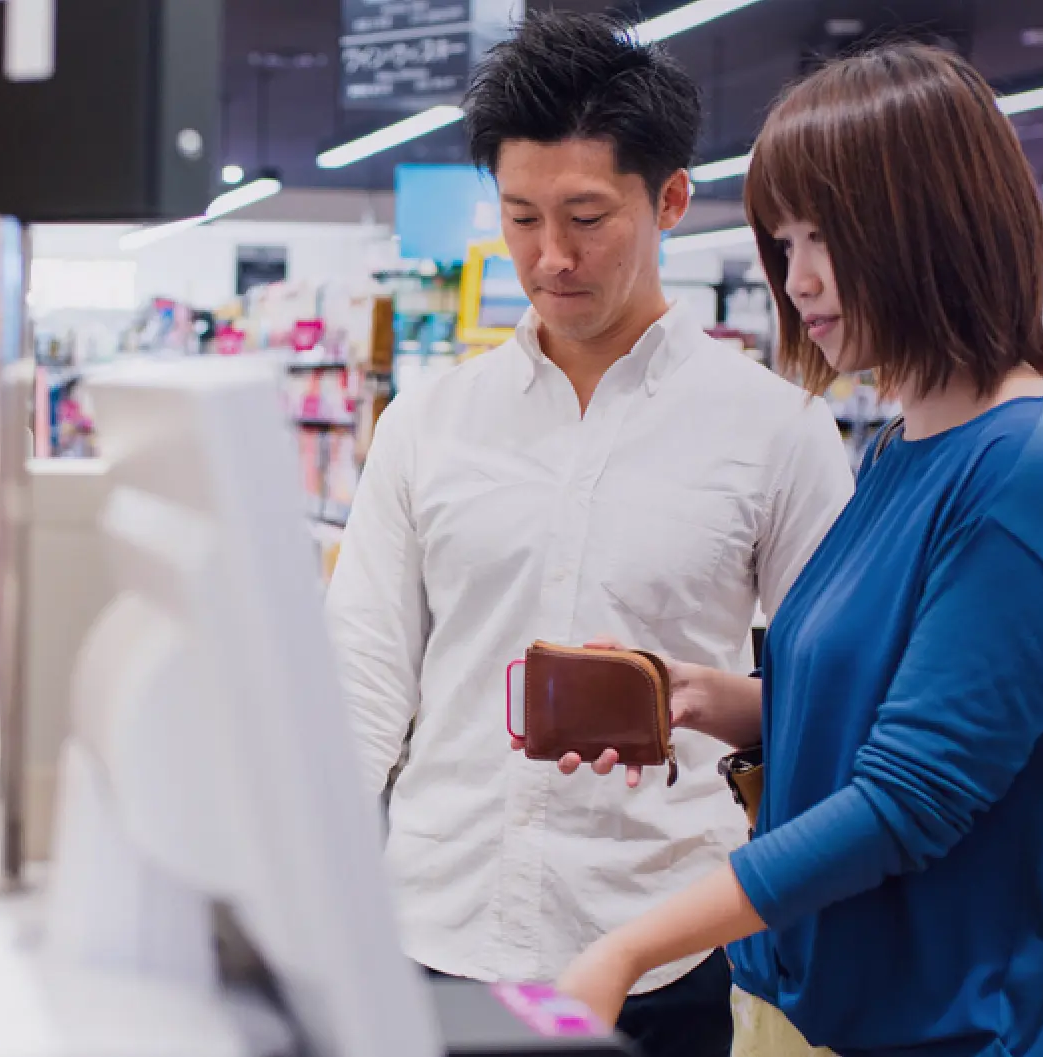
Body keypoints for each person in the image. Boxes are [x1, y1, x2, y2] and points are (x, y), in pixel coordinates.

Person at [552, 44, 1043, 1057]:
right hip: (813, 1009)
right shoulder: (896, 452)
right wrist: (700, 697)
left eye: (826, 234)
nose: (799, 277)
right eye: (781, 240)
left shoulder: (1026, 472)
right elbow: (893, 714)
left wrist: (625, 949)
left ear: (933, 224)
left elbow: (909, 799)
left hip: (946, 1033)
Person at [324, 12, 852, 1057]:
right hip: (434, 928)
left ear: (666, 200)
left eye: (584, 216)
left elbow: (831, 702)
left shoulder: (778, 431)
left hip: (657, 949)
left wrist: (697, 698)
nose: (549, 257)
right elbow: (365, 671)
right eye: (520, 217)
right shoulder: (429, 421)